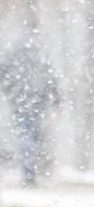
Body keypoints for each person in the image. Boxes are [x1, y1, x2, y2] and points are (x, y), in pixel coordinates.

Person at [0, 42, 59, 187]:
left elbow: (3, 75)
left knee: (26, 136)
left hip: (21, 102)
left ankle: (29, 172)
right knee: (33, 136)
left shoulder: (15, 56)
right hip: (37, 103)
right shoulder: (40, 57)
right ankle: (31, 171)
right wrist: (56, 99)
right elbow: (50, 78)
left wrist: (10, 93)